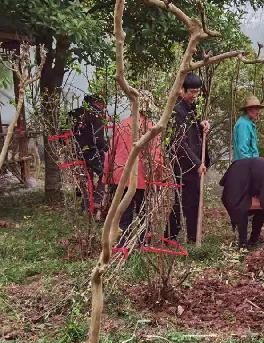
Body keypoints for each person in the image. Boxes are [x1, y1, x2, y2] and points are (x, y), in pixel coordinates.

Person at [102, 114, 162, 248]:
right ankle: (142, 244)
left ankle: (122, 244)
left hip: (121, 176)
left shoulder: (122, 125)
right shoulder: (152, 128)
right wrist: (158, 178)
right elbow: (156, 156)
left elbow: (110, 152)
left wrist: (106, 176)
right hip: (143, 178)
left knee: (123, 213)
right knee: (144, 214)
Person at [166, 73, 211, 243]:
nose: (195, 95)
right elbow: (178, 142)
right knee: (183, 201)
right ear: (182, 90)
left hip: (193, 163)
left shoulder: (190, 107)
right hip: (182, 164)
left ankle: (190, 237)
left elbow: (193, 132)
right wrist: (197, 163)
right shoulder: (176, 109)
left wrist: (202, 125)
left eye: (198, 92)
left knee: (190, 201)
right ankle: (169, 236)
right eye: (192, 91)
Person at [69, 94, 108, 211]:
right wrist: (107, 148)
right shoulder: (96, 114)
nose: (103, 108)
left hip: (76, 152)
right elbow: (99, 140)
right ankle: (97, 200)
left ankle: (85, 206)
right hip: (91, 152)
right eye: (102, 105)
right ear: (97, 103)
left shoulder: (74, 113)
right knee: (105, 174)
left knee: (86, 177)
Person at [233, 95, 264, 160]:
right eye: (256, 109)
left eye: (258, 109)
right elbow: (243, 152)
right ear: (248, 109)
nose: (258, 112)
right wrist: (252, 167)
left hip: (250, 164)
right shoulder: (243, 124)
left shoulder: (249, 123)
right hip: (245, 166)